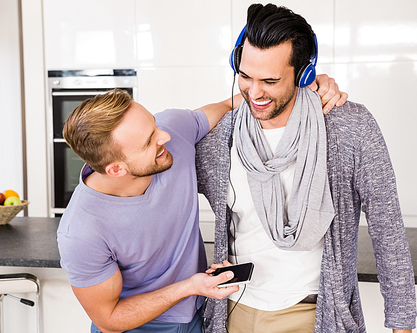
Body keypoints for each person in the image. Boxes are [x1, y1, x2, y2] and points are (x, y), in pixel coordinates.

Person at [196, 3, 416, 333]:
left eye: (269, 80)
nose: (254, 92)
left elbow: (388, 228)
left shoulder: (348, 127)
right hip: (235, 312)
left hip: (313, 315)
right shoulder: (220, 137)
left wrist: (402, 325)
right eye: (244, 76)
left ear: (304, 74)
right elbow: (156, 162)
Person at [57, 84, 345, 330]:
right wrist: (189, 287)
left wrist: (299, 88)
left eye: (154, 125)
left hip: (198, 314)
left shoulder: (171, 130)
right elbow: (109, 318)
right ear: (117, 169)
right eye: (149, 141)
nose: (165, 137)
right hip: (141, 326)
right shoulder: (81, 231)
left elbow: (226, 105)